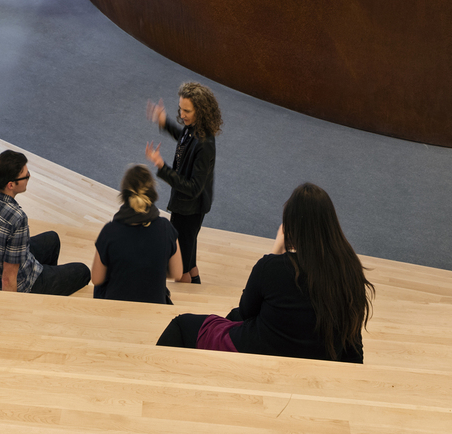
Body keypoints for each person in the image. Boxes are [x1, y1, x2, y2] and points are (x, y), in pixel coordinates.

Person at [156, 182, 372, 362]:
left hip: (260, 351)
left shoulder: (272, 267)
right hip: (320, 362)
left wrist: (277, 250)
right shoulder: (350, 272)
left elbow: (247, 312)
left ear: (291, 227)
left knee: (182, 325)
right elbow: (354, 348)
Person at [0, 149, 90, 296]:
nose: (29, 175)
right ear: (11, 185)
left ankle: (46, 287)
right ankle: (38, 294)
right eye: (26, 175)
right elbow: (8, 279)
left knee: (52, 238)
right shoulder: (17, 218)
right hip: (18, 286)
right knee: (83, 271)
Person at [145, 81, 222, 283]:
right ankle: (193, 280)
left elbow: (194, 188)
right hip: (186, 206)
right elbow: (183, 138)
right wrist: (164, 122)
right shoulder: (193, 128)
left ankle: (188, 296)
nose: (182, 114)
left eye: (187, 111)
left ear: (201, 110)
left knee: (180, 268)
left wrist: (163, 167)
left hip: (190, 209)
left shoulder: (205, 145)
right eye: (180, 109)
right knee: (188, 258)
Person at [92, 164, 182, 304]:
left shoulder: (109, 231)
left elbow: (96, 279)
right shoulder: (166, 228)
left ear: (124, 194)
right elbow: (177, 273)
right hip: (154, 307)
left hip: (115, 308)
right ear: (152, 192)